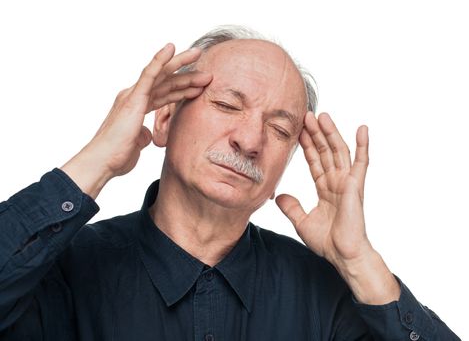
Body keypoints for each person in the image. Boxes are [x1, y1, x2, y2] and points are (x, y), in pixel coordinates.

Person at [0, 26, 460, 340]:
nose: (250, 140)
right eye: (226, 105)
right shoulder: (61, 268)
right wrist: (94, 162)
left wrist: (360, 262)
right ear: (164, 120)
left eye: (280, 130)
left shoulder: (326, 296)